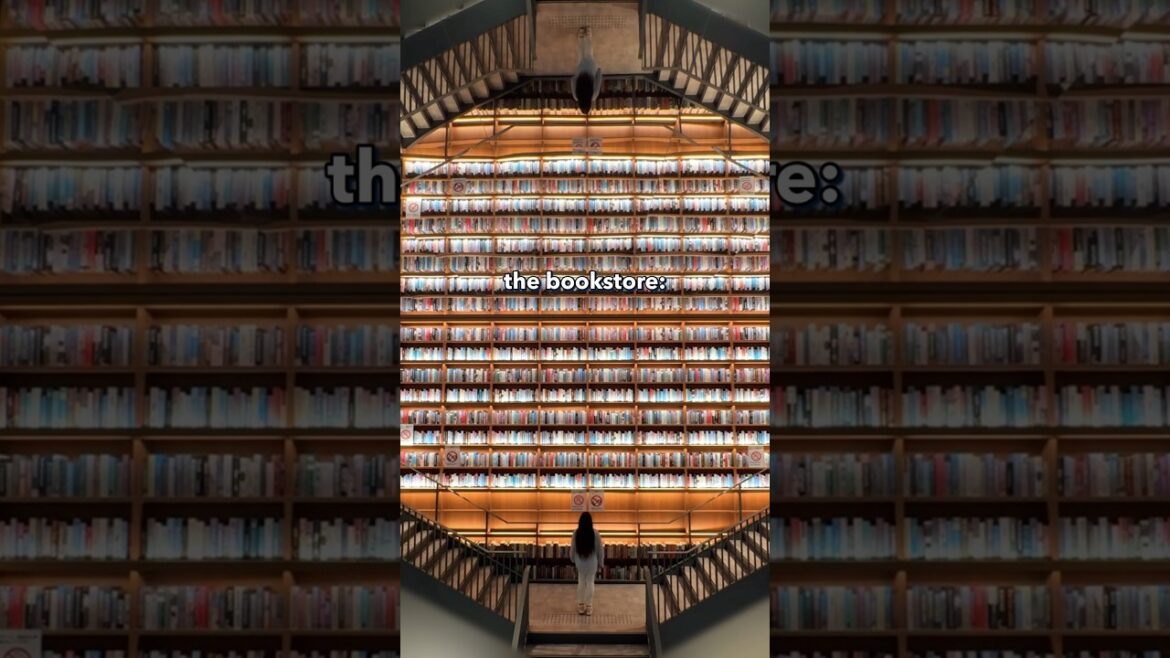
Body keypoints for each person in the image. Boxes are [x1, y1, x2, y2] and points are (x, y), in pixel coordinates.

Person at [570, 511, 603, 615]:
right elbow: (599, 549)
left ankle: (580, 605)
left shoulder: (576, 532)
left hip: (580, 562)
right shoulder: (595, 533)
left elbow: (573, 548)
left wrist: (572, 559)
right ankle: (589, 606)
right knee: (590, 583)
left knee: (581, 583)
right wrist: (601, 562)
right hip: (592, 562)